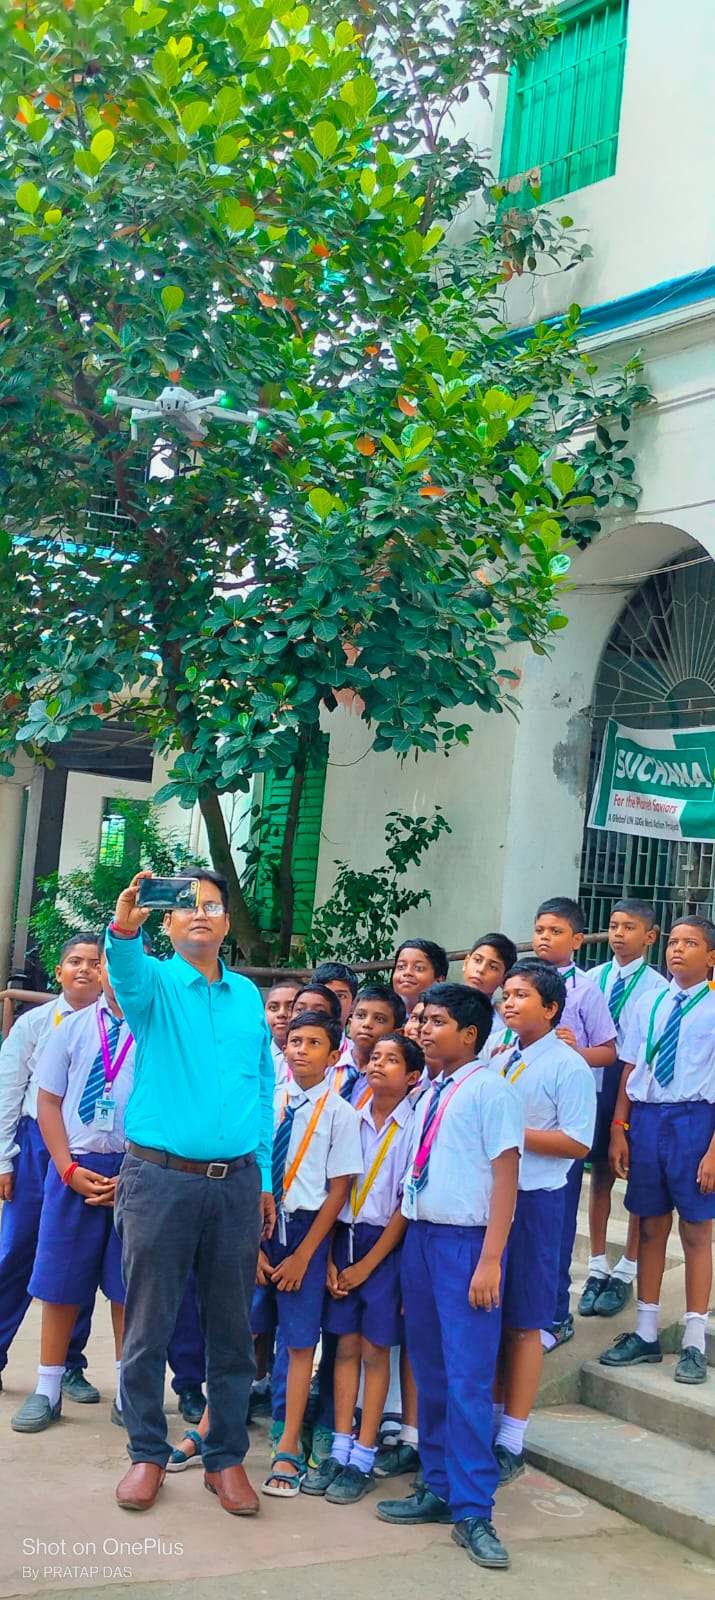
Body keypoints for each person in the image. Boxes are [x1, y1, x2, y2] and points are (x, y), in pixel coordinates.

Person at [106, 868, 274, 1517]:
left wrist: (263, 1176)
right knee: (148, 1325)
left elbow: (262, 1086)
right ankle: (147, 1454)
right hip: (160, 1180)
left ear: (227, 921)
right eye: (187, 906)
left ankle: (224, 1458)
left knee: (231, 1329)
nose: (200, 913)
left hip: (236, 1184)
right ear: (170, 922)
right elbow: (125, 971)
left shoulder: (248, 997)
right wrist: (125, 928)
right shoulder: (153, 986)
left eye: (212, 905)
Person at [376, 983, 522, 1573]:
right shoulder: (430, 1091)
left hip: (468, 1245)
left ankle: (474, 1509)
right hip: (423, 1239)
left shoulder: (491, 1090)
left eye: (436, 1021)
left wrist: (490, 1259)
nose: (423, 1029)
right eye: (421, 1019)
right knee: (430, 1371)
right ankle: (437, 1485)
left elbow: (506, 1177)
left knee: (467, 1379)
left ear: (469, 1033)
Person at [10, 934, 134, 1433]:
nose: (118, 975)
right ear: (103, 972)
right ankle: (47, 1387)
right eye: (111, 965)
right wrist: (65, 1169)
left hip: (134, 1171)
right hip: (74, 1166)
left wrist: (133, 1172)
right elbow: (47, 1102)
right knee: (59, 1282)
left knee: (128, 1286)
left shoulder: (155, 1032)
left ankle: (128, 1390)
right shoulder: (71, 1027)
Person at [306, 1033, 423, 1503]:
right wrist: (335, 1259)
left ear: (412, 1077)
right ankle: (340, 1446)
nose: (378, 1064)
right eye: (375, 1057)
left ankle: (364, 1454)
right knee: (345, 1347)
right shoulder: (348, 1118)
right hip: (343, 1240)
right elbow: (333, 1190)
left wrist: (368, 1265)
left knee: (376, 1352)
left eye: (392, 1060)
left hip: (383, 1247)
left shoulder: (413, 1127)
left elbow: (405, 1207)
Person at [492, 960, 596, 1483]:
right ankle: (488, 1422)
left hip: (535, 1201)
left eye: (522, 995)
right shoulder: (499, 1056)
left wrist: (509, 1130)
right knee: (491, 1316)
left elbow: (577, 1142)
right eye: (507, 994)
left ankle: (512, 1436)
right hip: (493, 1200)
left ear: (551, 1009)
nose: (508, 1002)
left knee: (525, 1320)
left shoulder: (568, 1066)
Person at [600, 916, 715, 1386]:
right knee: (649, 1226)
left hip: (695, 1121)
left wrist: (713, 1151)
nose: (677, 950)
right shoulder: (650, 1001)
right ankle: (646, 1332)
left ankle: (694, 1341)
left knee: (696, 1232)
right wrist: (619, 1128)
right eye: (673, 942)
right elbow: (630, 1067)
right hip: (647, 1120)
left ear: (711, 956)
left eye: (690, 943)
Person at [255, 1010, 363, 1498]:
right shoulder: (268, 1102)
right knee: (240, 1331)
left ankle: (288, 1446)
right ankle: (212, 1428)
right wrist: (253, 1246)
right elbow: (248, 1169)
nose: (300, 1049)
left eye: (313, 1043)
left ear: (334, 1055)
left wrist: (304, 1256)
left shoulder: (341, 1114)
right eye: (295, 1041)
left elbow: (339, 1192)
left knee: (300, 1343)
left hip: (306, 1231)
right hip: (259, 1227)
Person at [0, 933, 101, 1402]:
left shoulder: (119, 1027)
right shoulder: (35, 1024)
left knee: (78, 1253)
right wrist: (4, 1158)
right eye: (75, 961)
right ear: (59, 972)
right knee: (16, 1249)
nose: (85, 969)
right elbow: (8, 1091)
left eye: (95, 962)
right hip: (35, 1145)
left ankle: (69, 1364)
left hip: (87, 1148)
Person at [531, 897, 616, 1349]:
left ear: (578, 940)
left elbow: (609, 1051)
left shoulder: (586, 990)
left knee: (559, 1221)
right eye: (540, 930)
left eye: (556, 931)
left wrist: (575, 1050)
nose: (545, 938)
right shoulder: (519, 981)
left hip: (566, 1113)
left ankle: (556, 1314)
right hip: (526, 1106)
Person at [580, 901, 667, 1318]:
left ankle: (626, 1269)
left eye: (629, 927)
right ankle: (597, 1265)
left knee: (632, 1175)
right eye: (614, 926)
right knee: (598, 1173)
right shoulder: (592, 978)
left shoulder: (657, 989)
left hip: (632, 1083)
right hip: (593, 1081)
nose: (618, 934)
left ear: (650, 937)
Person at [344, 985, 407, 1108]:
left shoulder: (397, 1080)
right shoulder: (326, 1066)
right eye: (361, 1016)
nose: (367, 1024)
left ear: (397, 1033)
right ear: (350, 1024)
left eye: (379, 1019)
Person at [463, 933, 518, 1027]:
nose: (481, 970)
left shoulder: (499, 1027)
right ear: (466, 962)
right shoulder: (440, 1004)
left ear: (504, 978)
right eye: (478, 960)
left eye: (493, 967)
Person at [391, 940, 449, 1017]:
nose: (407, 972)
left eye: (419, 968)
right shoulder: (383, 1015)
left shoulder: (448, 1018)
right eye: (401, 967)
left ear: (439, 981)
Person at [264, 978, 303, 1090]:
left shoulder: (321, 1060)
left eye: (291, 1007)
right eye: (273, 1008)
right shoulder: (257, 1059)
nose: (281, 1014)